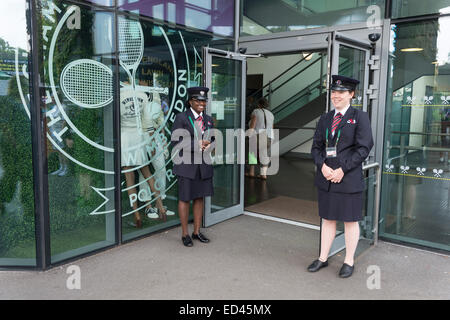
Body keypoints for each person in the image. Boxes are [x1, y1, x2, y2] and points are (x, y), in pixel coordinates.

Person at [308, 75, 374, 278]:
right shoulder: (325, 118)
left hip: (348, 178)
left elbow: (364, 148)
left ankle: (349, 260)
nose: (336, 96)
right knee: (327, 219)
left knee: (349, 221)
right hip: (327, 178)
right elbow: (316, 147)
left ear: (351, 94)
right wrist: (323, 166)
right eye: (334, 92)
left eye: (341, 92)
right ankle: (322, 258)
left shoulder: (359, 117)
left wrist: (342, 169)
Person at [170, 86, 214, 247]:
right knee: (184, 198)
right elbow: (176, 141)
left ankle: (196, 232)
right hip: (186, 165)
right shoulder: (181, 118)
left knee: (199, 197)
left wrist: (210, 145)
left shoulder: (209, 119)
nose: (202, 103)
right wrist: (197, 144)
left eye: (204, 100)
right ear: (190, 101)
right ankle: (185, 234)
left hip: (203, 165)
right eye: (198, 100)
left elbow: (213, 138)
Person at [246, 97, 274, 180]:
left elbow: (253, 123)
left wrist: (249, 134)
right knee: (265, 154)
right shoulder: (271, 114)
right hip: (269, 136)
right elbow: (272, 127)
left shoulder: (256, 111)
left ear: (259, 104)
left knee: (252, 152)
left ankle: (251, 172)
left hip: (258, 135)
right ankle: (263, 174)